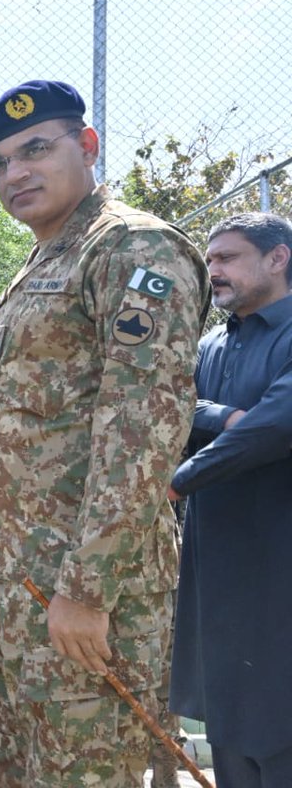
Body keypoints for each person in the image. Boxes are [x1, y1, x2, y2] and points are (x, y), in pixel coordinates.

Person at [0, 80, 209, 786]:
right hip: (18, 588)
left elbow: (141, 428)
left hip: (82, 595)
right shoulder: (44, 261)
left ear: (88, 146)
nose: (15, 174)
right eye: (1, 164)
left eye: (36, 149)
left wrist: (88, 590)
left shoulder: (133, 247)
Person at [168, 212, 292, 787]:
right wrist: (222, 414)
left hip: (279, 559)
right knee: (231, 721)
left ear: (278, 257)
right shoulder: (211, 343)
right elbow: (177, 404)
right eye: (209, 259)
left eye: (227, 258)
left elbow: (273, 426)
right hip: (217, 565)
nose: (212, 270)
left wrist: (182, 476)